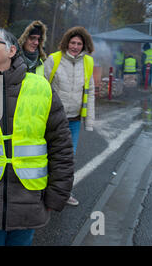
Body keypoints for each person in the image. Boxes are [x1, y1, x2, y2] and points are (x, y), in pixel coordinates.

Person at [0, 28, 74, 246]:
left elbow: (61, 144)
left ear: (11, 50)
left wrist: (58, 194)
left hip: (30, 198)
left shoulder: (40, 87)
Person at [44, 26, 95, 207]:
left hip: (73, 121)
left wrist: (88, 121)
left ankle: (63, 194)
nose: (75, 46)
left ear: (84, 45)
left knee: (68, 159)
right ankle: (43, 190)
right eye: (72, 42)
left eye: (79, 43)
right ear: (66, 42)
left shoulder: (88, 62)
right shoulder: (53, 59)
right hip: (53, 119)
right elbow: (42, 87)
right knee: (48, 154)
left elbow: (90, 92)